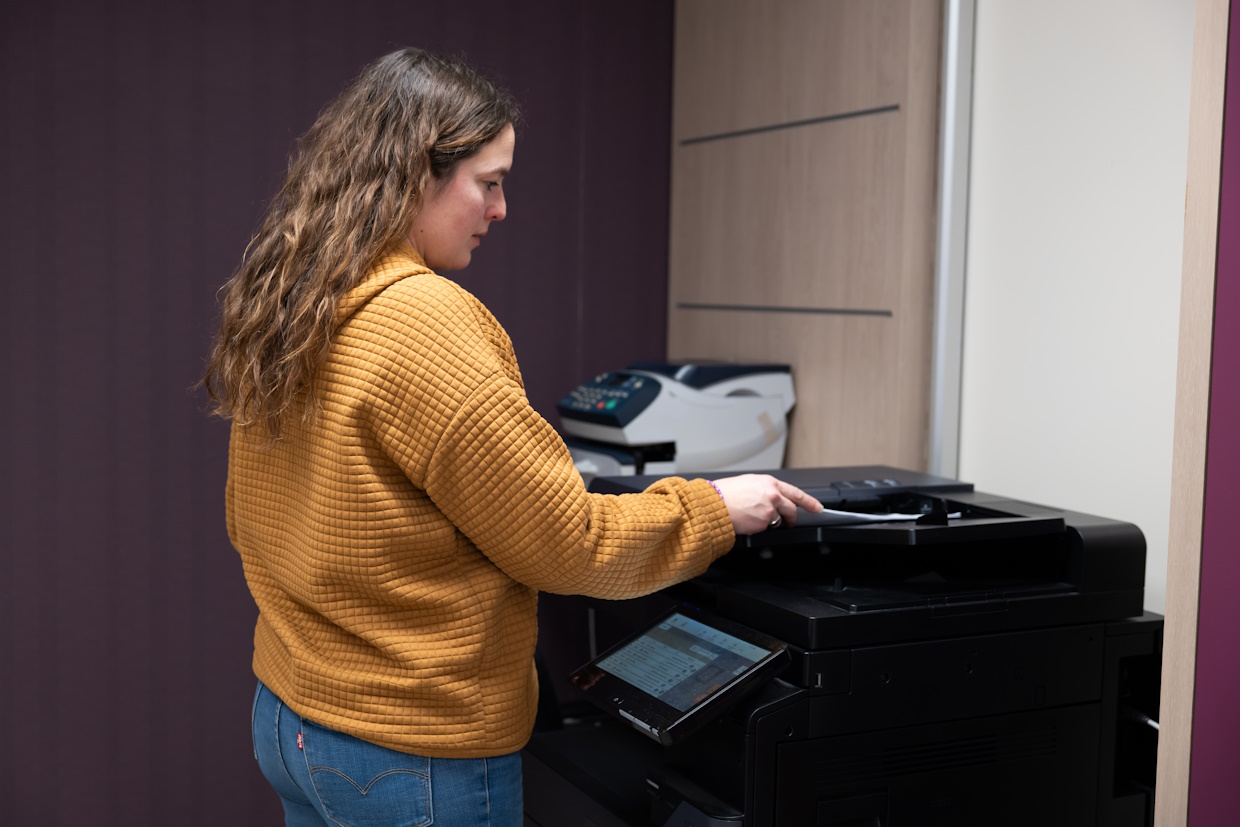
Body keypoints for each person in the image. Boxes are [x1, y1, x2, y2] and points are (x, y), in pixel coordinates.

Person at [203, 47, 821, 827]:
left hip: (294, 720)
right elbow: (569, 544)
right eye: (488, 183)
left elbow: (245, 519)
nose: (501, 210)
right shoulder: (427, 320)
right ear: (411, 174)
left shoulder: (295, 299)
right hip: (411, 747)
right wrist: (714, 507)